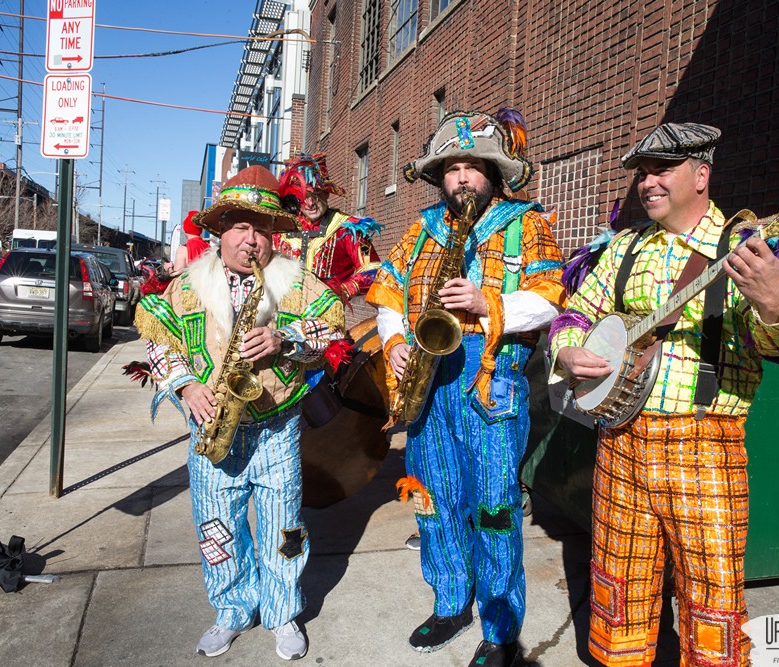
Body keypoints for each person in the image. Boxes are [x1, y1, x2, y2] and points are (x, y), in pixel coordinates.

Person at [550, 122, 779, 666]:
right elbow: (575, 313)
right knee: (618, 590)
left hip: (704, 448)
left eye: (661, 170)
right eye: (642, 172)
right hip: (620, 443)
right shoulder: (624, 246)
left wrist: (770, 302)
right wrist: (567, 352)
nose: (647, 182)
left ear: (701, 174)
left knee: (711, 598)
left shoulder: (744, 249)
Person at [366, 108, 566, 667]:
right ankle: (451, 601)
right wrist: (396, 340)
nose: (460, 178)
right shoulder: (421, 228)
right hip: (429, 384)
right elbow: (388, 292)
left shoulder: (527, 224)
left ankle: (501, 630)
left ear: (493, 173)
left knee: (495, 508)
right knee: (434, 501)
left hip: (491, 384)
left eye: (472, 167)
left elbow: (553, 296)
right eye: (452, 169)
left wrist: (488, 303)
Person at [134, 166, 348, 662]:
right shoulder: (186, 285)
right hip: (212, 425)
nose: (251, 240)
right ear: (220, 232)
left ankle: (283, 612)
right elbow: (158, 344)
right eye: (239, 227)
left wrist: (285, 339)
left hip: (276, 427)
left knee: (285, 528)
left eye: (261, 229)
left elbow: (331, 331)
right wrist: (185, 387)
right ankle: (231, 610)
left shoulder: (297, 282)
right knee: (216, 526)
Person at [276, 153, 382, 305]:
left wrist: (340, 291)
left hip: (325, 318)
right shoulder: (282, 228)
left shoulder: (348, 229)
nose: (311, 203)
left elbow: (372, 270)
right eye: (304, 196)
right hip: (280, 313)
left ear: (327, 194)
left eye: (316, 194)